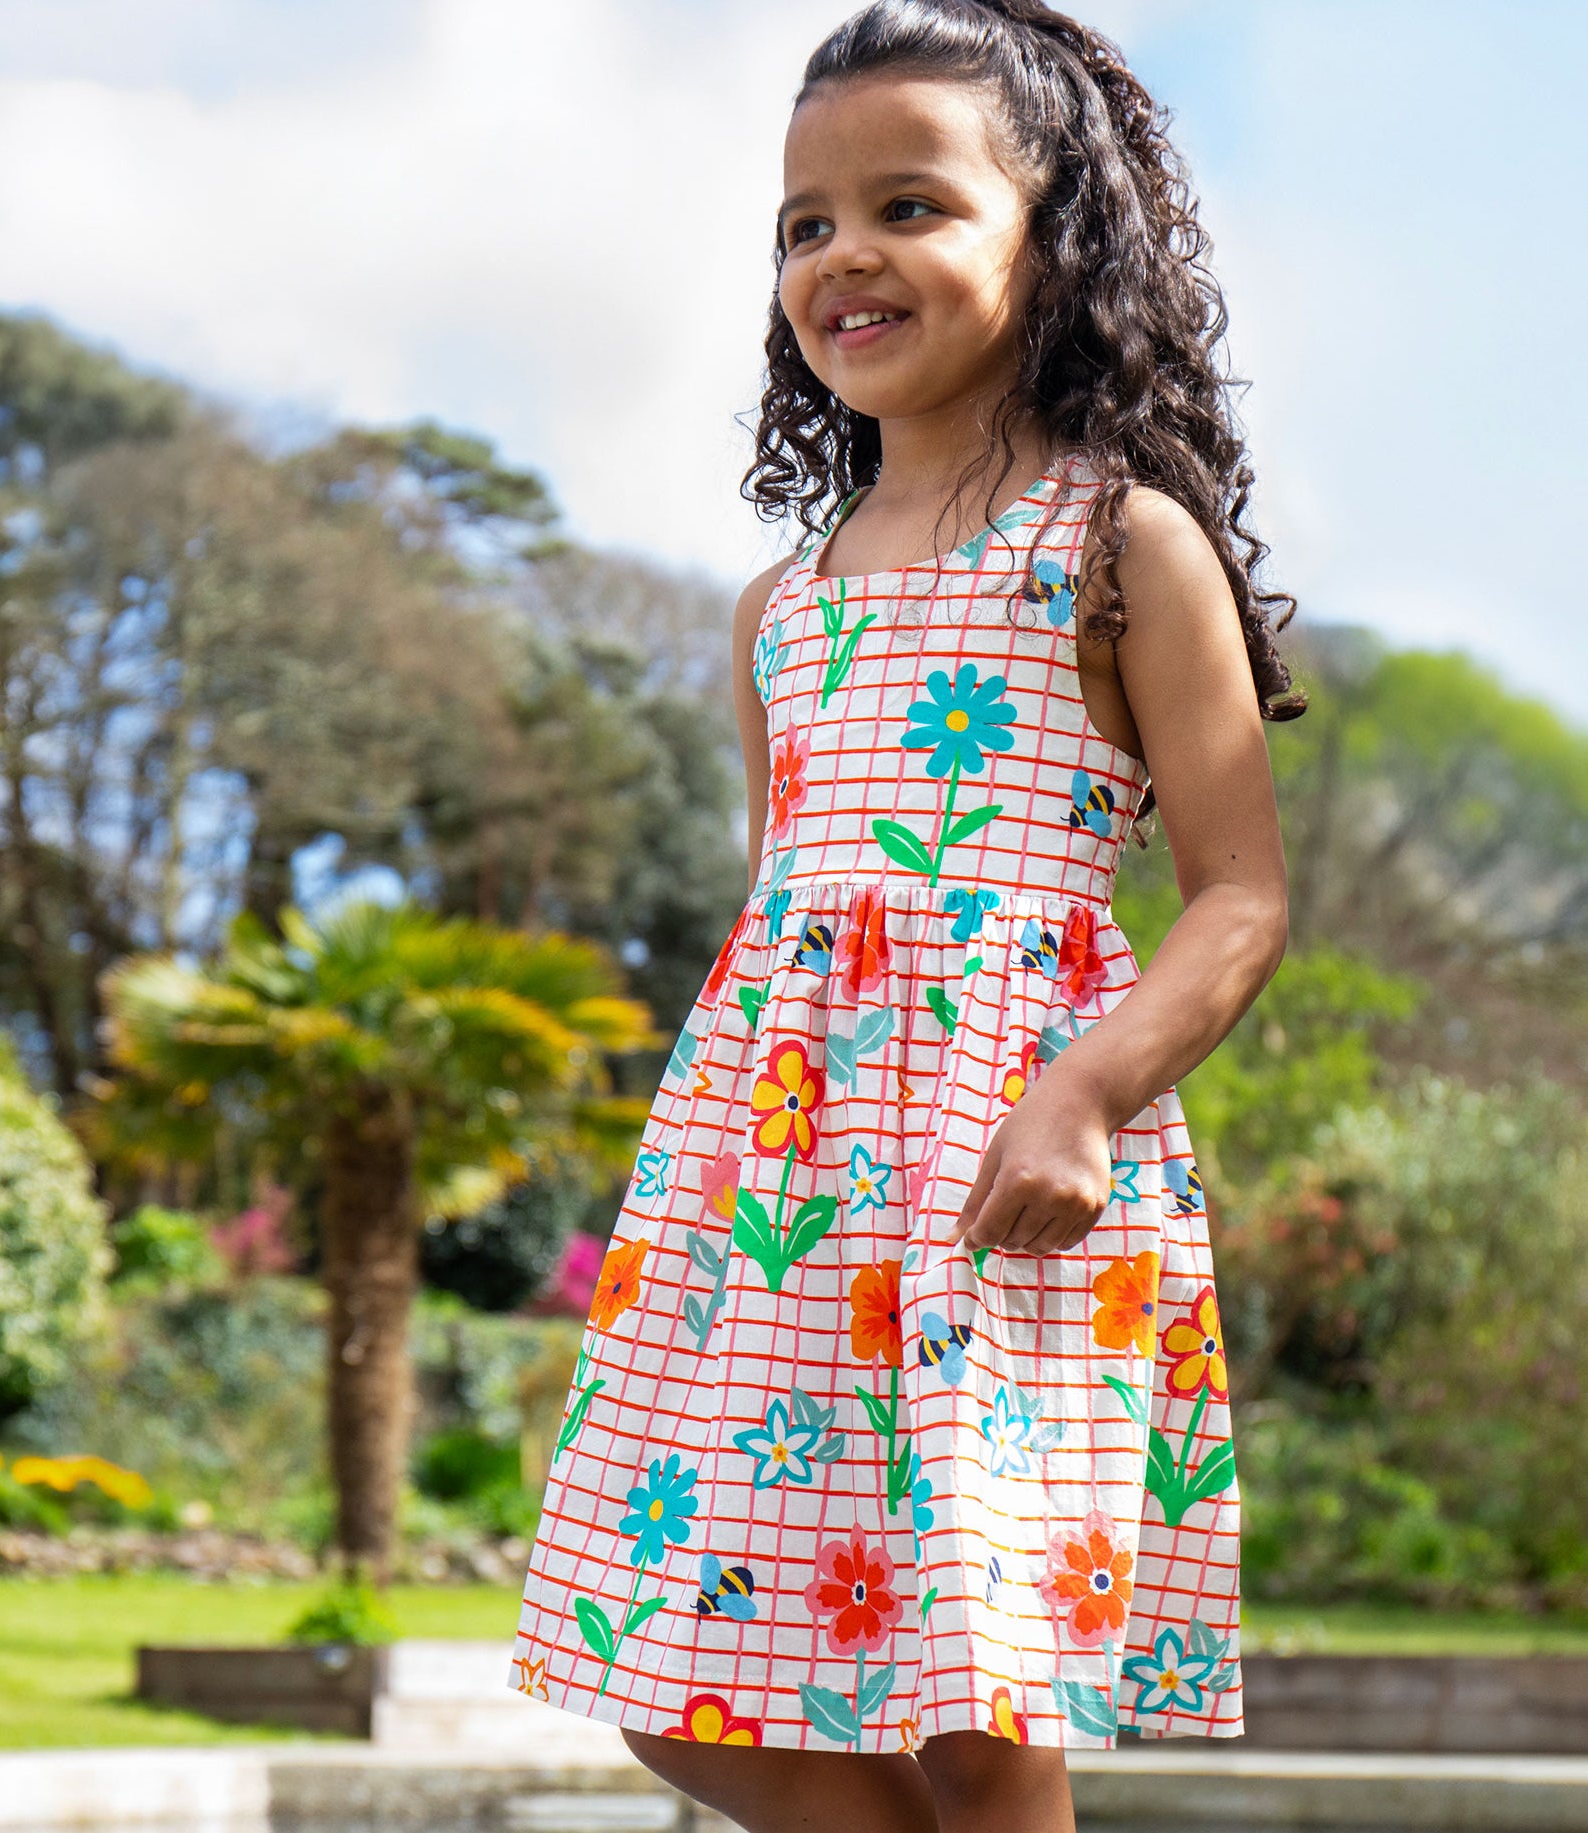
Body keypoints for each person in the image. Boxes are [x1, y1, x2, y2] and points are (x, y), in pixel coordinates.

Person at [509, 3, 1301, 1828]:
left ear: (1057, 242)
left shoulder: (1120, 544)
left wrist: (1089, 1093)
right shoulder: (772, 609)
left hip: (993, 1175)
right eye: (804, 222)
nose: (844, 254)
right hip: (772, 1191)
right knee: (685, 1671)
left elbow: (1241, 898)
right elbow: (786, 911)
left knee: (966, 1689)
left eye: (910, 205)